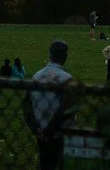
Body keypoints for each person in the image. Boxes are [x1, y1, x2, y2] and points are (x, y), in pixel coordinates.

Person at [27, 41, 74, 170]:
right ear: (65, 56)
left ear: (50, 55)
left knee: (45, 164)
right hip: (58, 133)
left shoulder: (36, 76)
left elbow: (27, 107)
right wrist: (49, 132)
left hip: (40, 131)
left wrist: (37, 130)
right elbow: (65, 110)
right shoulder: (66, 79)